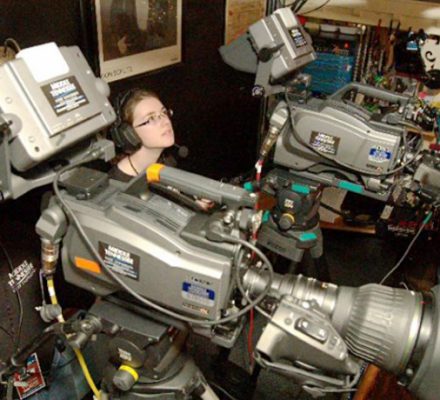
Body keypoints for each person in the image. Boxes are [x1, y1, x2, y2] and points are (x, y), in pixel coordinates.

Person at [109, 88, 175, 182]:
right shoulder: (117, 184)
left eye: (164, 112)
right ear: (129, 133)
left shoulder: (167, 162)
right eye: (151, 118)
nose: (166, 121)